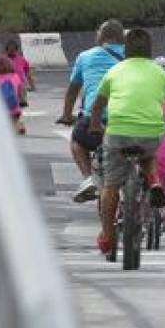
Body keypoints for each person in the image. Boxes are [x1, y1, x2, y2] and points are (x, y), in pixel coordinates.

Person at [88, 29, 165, 255]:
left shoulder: (114, 71)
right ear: (150, 50)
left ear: (126, 50)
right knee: (148, 154)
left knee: (110, 185)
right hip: (151, 133)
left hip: (119, 132)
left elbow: (98, 104)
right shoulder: (160, 73)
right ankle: (154, 183)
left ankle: (107, 236)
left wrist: (95, 125)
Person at [58, 20, 126, 202]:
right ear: (123, 39)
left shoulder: (85, 57)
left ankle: (89, 178)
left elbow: (73, 90)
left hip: (95, 122)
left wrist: (66, 115)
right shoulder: (132, 58)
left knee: (77, 141)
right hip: (128, 121)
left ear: (100, 37)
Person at [0, 55, 25, 135]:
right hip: (14, 106)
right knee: (15, 120)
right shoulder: (15, 77)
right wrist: (21, 100)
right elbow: (20, 91)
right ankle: (20, 126)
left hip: (0, 107)